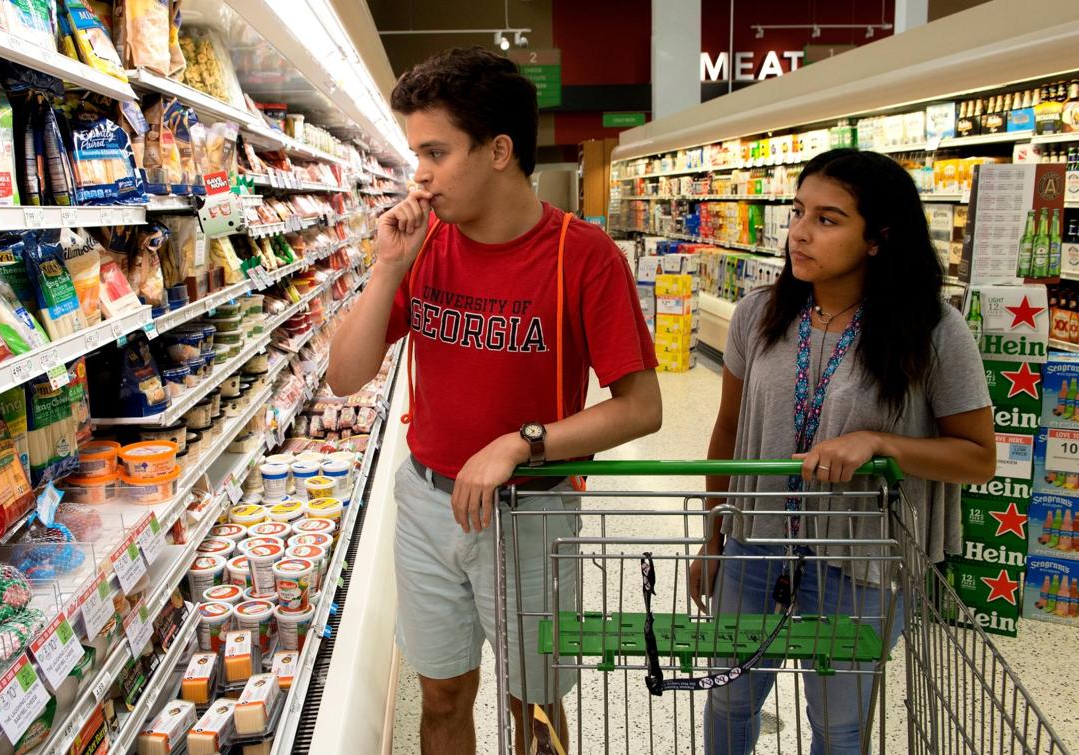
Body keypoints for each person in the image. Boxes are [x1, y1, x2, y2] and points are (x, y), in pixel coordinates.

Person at [326, 47, 662, 755]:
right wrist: (389, 266)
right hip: (426, 505)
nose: (418, 171)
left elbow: (641, 407)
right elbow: (344, 376)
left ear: (500, 150)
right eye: (416, 151)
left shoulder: (583, 255)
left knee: (532, 701)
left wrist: (522, 441)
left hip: (531, 512)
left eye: (435, 151)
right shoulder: (425, 246)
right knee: (443, 695)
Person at [688, 148, 997, 755]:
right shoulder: (758, 314)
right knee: (728, 696)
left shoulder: (932, 329)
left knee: (838, 724)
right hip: (756, 545)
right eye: (798, 211)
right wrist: (714, 536)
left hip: (860, 564)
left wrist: (881, 442)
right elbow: (727, 431)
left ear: (878, 239)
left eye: (827, 220)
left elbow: (977, 456)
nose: (799, 232)